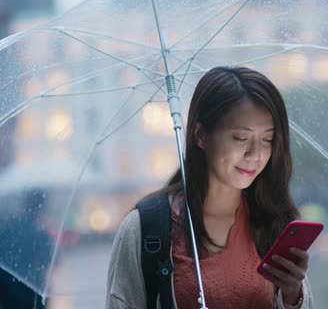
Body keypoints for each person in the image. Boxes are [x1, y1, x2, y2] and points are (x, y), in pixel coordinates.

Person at [106, 66, 312, 309]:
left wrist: (292, 294)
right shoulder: (145, 228)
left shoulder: (273, 222)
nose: (255, 155)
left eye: (267, 140)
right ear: (200, 135)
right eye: (241, 138)